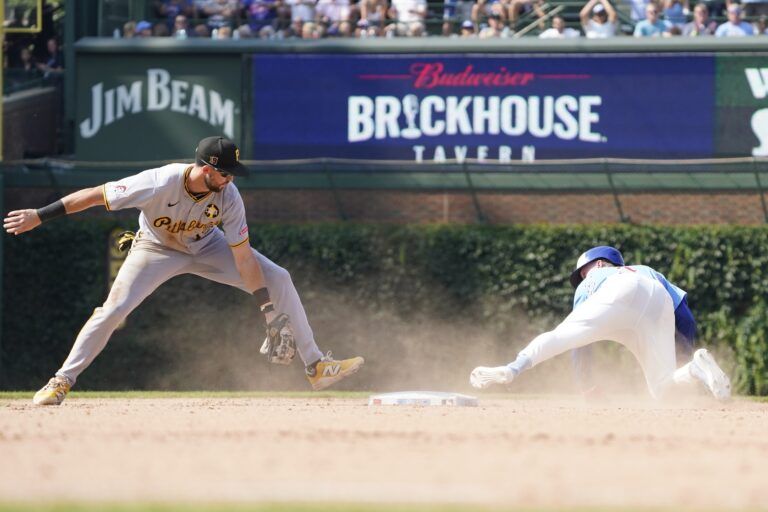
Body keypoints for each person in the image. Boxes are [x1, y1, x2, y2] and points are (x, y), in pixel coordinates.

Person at [4, 136, 365, 406]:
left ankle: (315, 366)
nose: (230, 180)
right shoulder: (159, 182)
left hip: (207, 246)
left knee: (279, 277)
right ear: (206, 168)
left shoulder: (229, 197)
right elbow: (97, 195)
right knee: (112, 311)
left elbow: (243, 257)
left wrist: (268, 311)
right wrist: (39, 215)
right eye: (225, 173)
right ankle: (60, 381)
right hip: (155, 247)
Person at [470, 246, 731, 401]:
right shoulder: (646, 270)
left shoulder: (593, 281)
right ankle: (695, 368)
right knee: (662, 388)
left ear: (602, 263)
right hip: (657, 301)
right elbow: (683, 315)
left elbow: (578, 344)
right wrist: (684, 354)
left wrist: (587, 387)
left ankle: (513, 368)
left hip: (616, 293)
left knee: (562, 335)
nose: (583, 277)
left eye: (584, 271)